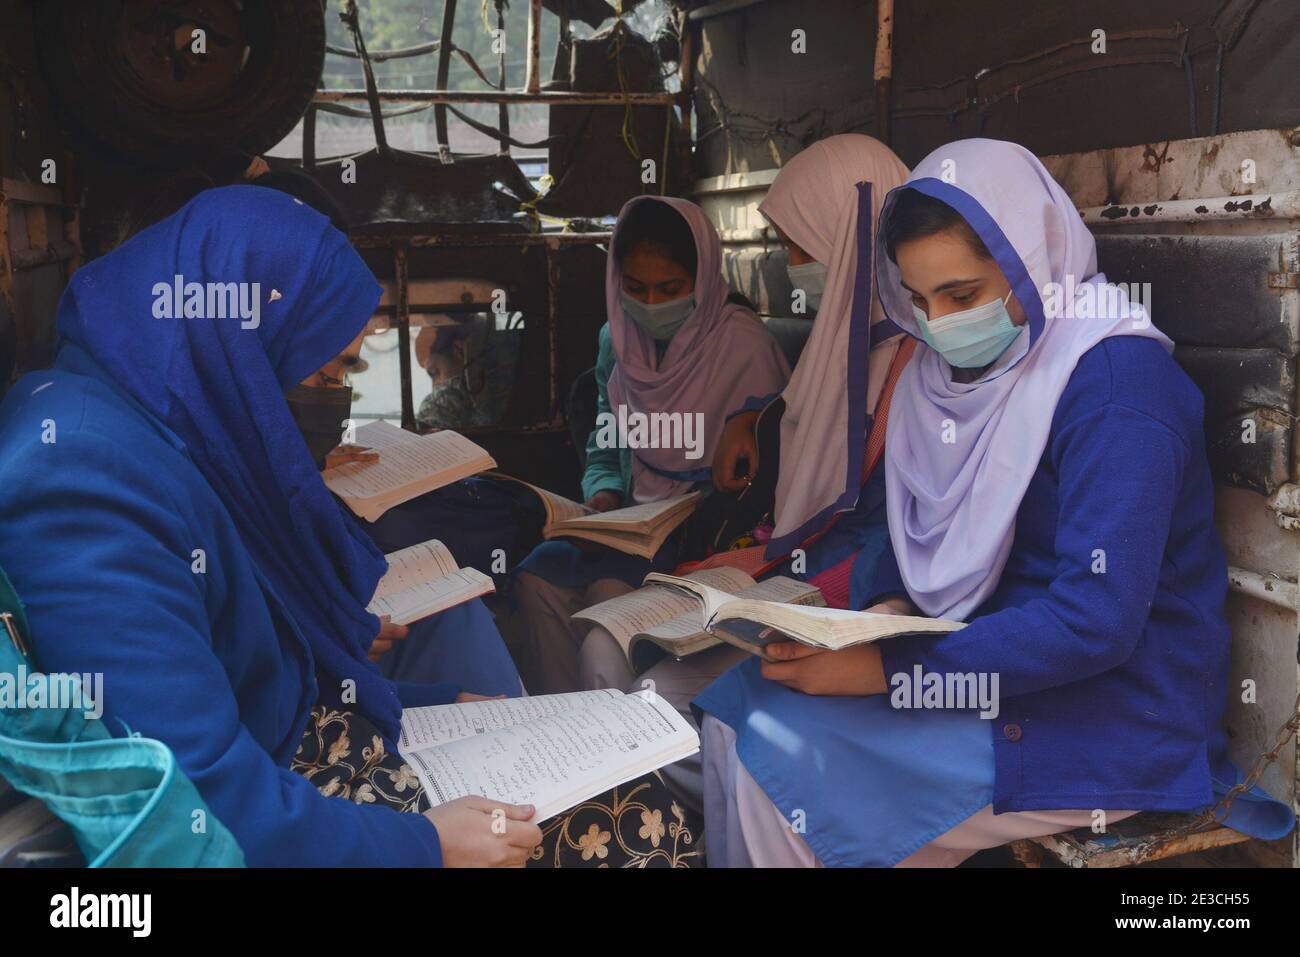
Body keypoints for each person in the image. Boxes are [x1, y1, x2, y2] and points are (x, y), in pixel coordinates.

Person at [694, 138, 1294, 866]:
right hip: (979, 663)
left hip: (1108, 714)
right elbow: (909, 526)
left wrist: (889, 671)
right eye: (918, 300)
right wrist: (881, 613)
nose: (939, 323)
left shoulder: (1117, 389)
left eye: (963, 295)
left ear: (1033, 260)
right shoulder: (942, 380)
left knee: (782, 768)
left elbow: (1095, 620)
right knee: (736, 711)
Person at [0, 185, 539, 866]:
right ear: (242, 353)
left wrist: (431, 702)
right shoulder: (80, 486)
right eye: (328, 371)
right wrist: (426, 846)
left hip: (310, 766)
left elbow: (244, 678)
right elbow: (199, 803)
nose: (337, 401)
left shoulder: (162, 428)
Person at [512, 195, 790, 702]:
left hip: (704, 533)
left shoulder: (744, 346)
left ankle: (617, 760)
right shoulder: (617, 338)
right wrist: (601, 496)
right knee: (535, 581)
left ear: (702, 279)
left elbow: (765, 482)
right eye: (636, 289)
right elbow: (605, 439)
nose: (651, 305)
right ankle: (559, 728)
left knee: (606, 597)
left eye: (670, 289)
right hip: (627, 526)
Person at [703, 133, 912, 610]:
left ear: (855, 234)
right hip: (801, 575)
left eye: (802, 247)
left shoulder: (920, 362)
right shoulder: (847, 338)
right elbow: (811, 404)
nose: (792, 267)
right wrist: (752, 418)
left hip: (848, 591)